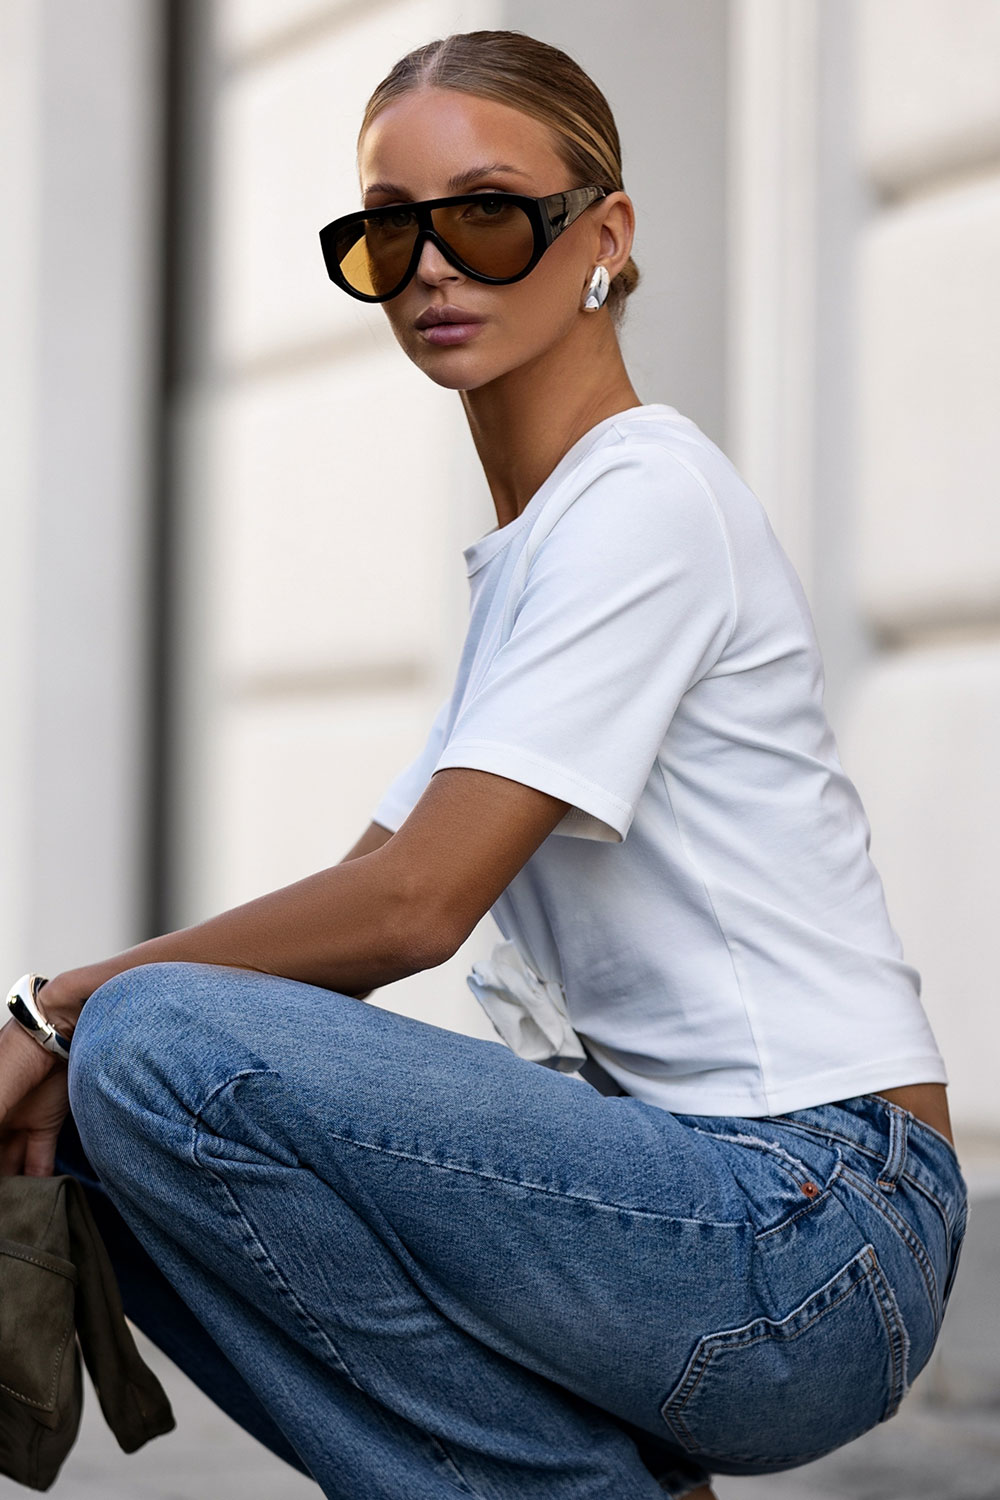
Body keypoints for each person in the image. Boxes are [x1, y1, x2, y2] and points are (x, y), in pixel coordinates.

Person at [0, 29, 968, 1500]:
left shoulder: (646, 503)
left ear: (606, 235)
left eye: (490, 214)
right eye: (390, 232)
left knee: (143, 1046)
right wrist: (64, 1057)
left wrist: (57, 1010)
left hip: (817, 1225)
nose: (435, 267)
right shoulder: (541, 551)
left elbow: (415, 908)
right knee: (99, 1117)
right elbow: (362, 893)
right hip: (713, 1211)